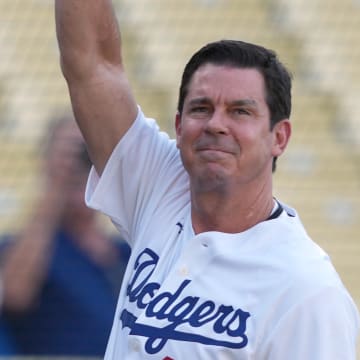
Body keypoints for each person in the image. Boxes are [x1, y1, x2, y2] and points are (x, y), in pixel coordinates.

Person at [55, 1, 360, 359]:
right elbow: (91, 66)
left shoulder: (307, 291)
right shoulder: (161, 185)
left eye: (240, 111)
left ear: (280, 137)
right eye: (201, 108)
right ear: (180, 125)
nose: (216, 124)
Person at [0, 116, 131, 356]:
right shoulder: (25, 249)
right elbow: (13, 294)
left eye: (89, 152)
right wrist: (56, 185)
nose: (79, 164)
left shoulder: (126, 250)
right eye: (72, 153)